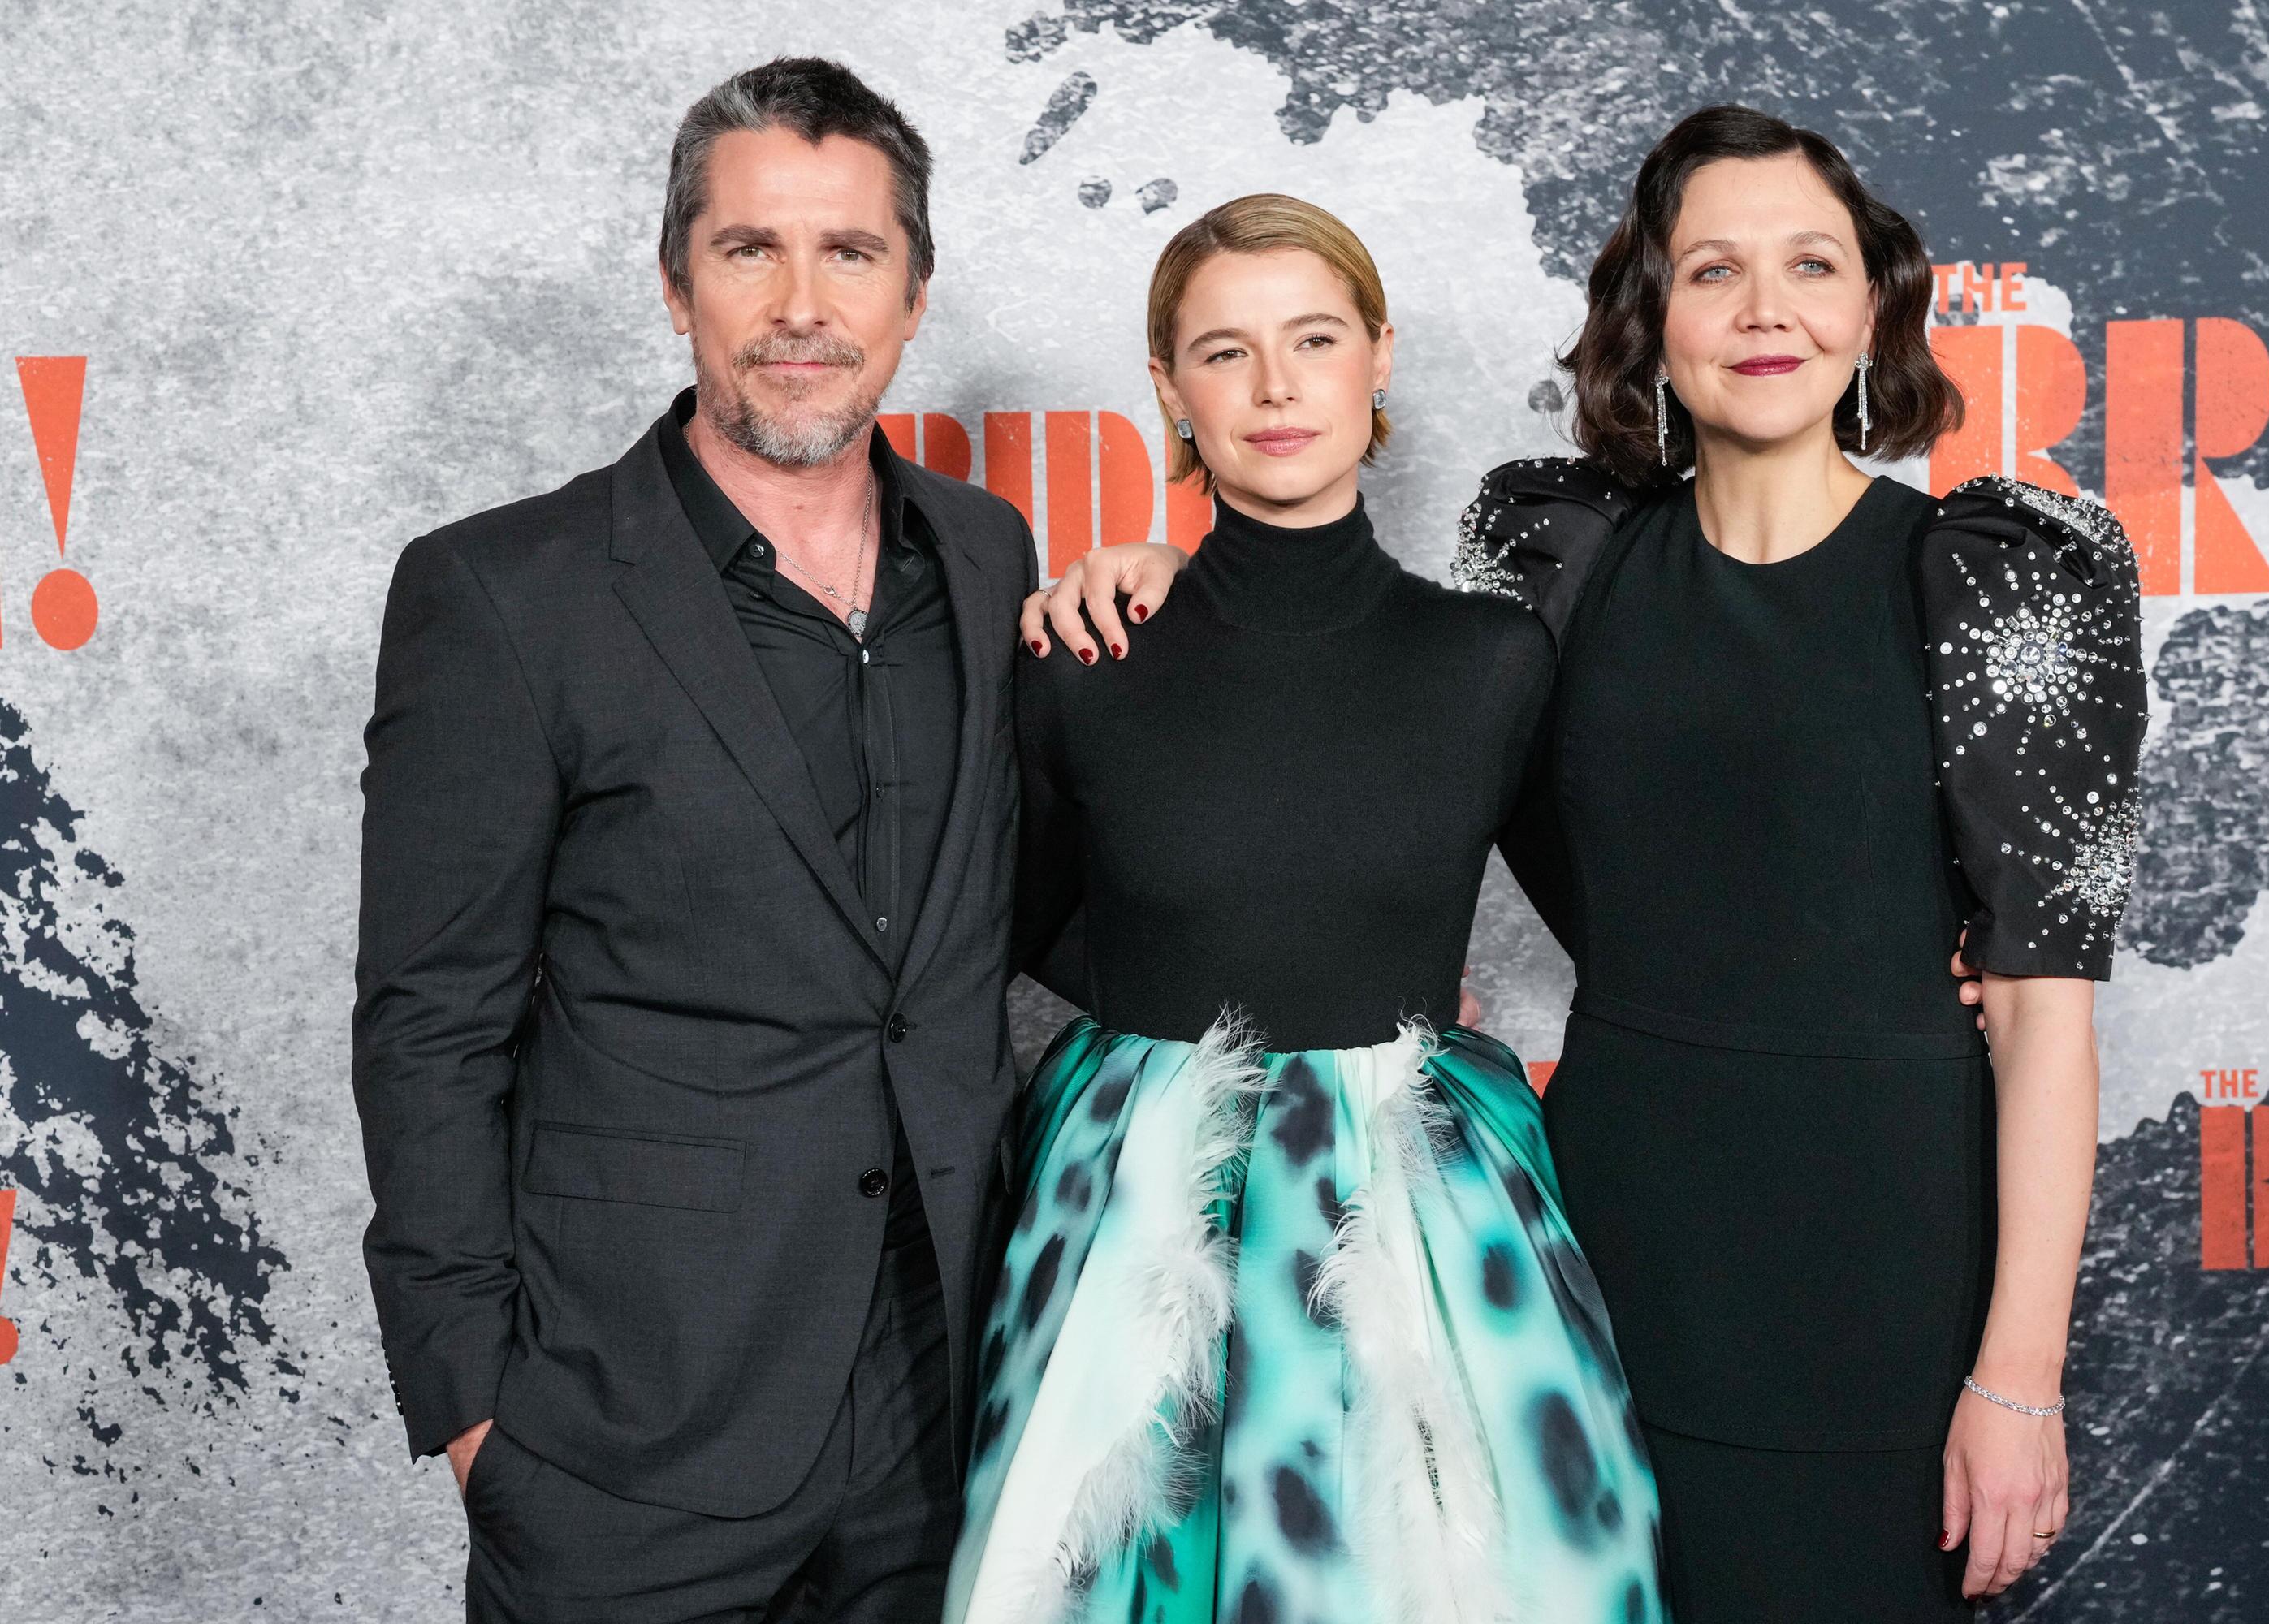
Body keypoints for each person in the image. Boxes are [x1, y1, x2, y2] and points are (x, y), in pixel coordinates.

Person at [1030, 106, 2141, 1622]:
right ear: (1652, 315)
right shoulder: (1561, 557)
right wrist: (1184, 582)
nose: (1766, 311)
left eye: (1813, 265)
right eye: (1715, 271)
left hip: (1886, 1252)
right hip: (1599, 1247)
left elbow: (2046, 1019)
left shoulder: (2003, 577)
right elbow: (1365, 725)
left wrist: (2020, 1377)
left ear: (1874, 306)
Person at [352, 58, 1038, 1622]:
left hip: (943, 1422)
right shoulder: (504, 593)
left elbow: (1036, 899)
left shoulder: (988, 555)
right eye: (749, 250)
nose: (802, 305)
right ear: (677, 285)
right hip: (625, 1437)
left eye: (849, 252)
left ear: (914, 292)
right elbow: (429, 1023)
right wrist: (475, 1415)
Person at [947, 194, 1664, 1624]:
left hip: (1427, 1218)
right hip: (1134, 1207)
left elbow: (1639, 930)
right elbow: (998, 926)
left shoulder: (1492, 659)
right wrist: (1188, 994)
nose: (1276, 387)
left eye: (1316, 338)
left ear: (1378, 356)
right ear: (1170, 386)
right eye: (1226, 351)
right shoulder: (1083, 654)